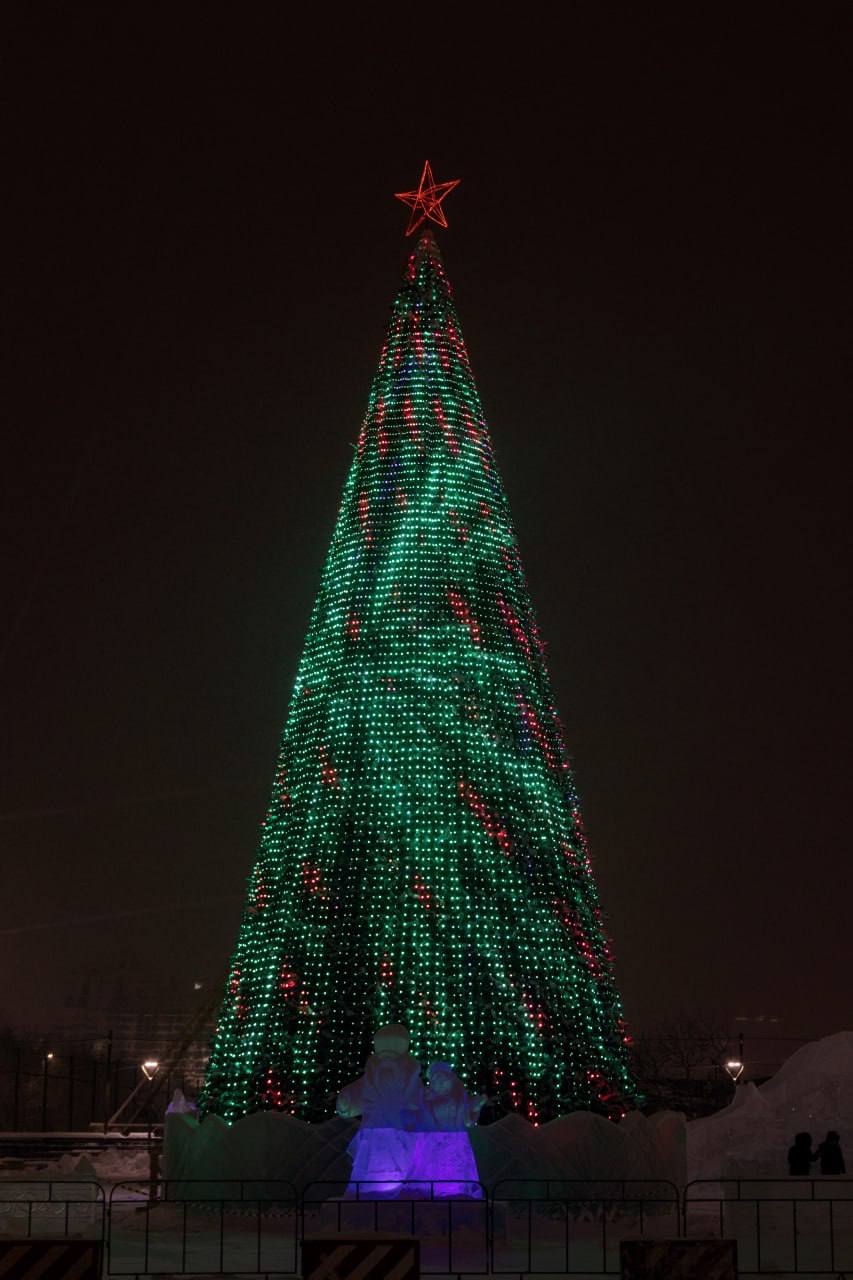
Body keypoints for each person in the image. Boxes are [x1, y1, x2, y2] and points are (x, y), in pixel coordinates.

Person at [336, 1023, 423, 1197]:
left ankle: (395, 1190)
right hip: (373, 1129)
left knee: (399, 1162)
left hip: (398, 1129)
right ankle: (369, 1192)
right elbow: (357, 1095)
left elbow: (418, 1103)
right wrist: (347, 1102)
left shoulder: (411, 1080)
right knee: (371, 1161)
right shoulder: (370, 1078)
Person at [409, 1061, 485, 1198]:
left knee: (457, 1179)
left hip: (457, 1143)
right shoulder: (426, 1100)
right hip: (435, 1143)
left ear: (450, 1079)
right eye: (436, 1079)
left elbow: (468, 1122)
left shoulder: (459, 1099)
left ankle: (458, 1193)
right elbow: (423, 1121)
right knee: (436, 1176)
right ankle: (434, 1193)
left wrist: (476, 1108)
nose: (440, 1082)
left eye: (443, 1078)